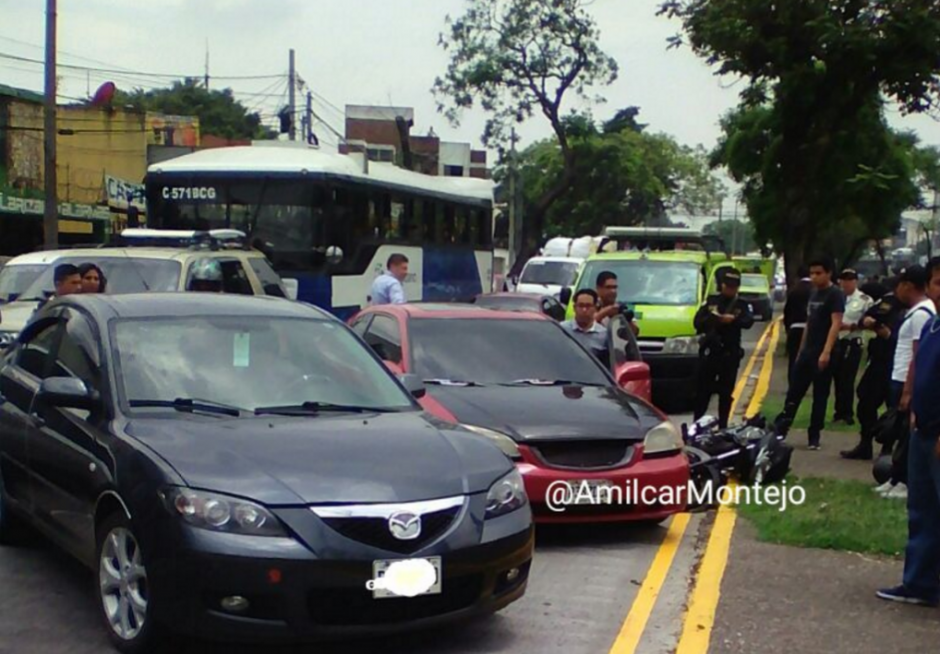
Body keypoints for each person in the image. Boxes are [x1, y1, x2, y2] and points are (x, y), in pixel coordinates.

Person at [876, 256, 940, 609]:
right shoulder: (933, 326)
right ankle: (919, 583)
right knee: (922, 512)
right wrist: (913, 403)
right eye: (937, 283)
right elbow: (920, 366)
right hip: (923, 431)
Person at [774, 257, 845, 450]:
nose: (814, 277)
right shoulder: (813, 293)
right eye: (812, 273)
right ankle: (781, 429)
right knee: (794, 392)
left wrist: (826, 351)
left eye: (818, 273)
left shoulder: (835, 294)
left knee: (820, 395)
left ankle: (814, 436)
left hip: (823, 351)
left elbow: (836, 323)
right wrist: (800, 350)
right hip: (807, 350)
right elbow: (809, 322)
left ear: (829, 273)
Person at [841, 288, 906, 460]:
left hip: (899, 363)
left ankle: (888, 448)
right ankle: (865, 444)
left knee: (894, 408)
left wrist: (886, 333)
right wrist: (868, 321)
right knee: (865, 401)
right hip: (879, 360)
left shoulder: (918, 308)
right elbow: (866, 317)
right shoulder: (888, 301)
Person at [693, 269, 755, 428]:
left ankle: (723, 426)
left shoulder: (741, 304)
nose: (731, 290)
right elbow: (698, 323)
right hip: (711, 353)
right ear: (722, 285)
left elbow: (748, 321)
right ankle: (697, 424)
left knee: (726, 394)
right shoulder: (712, 301)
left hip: (729, 354)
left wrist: (734, 320)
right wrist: (716, 319)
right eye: (728, 286)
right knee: (702, 393)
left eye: (734, 287)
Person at [831, 269, 873, 425]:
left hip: (852, 340)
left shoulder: (864, 300)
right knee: (836, 378)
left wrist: (851, 326)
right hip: (836, 341)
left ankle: (847, 413)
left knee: (847, 379)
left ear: (855, 281)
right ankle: (838, 412)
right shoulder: (835, 297)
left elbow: (871, 320)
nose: (846, 283)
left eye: (850, 280)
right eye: (843, 279)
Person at [561, 289, 608, 361]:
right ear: (574, 308)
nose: (584, 310)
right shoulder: (562, 329)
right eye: (580, 305)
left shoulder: (604, 334)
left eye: (588, 306)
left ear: (595, 308)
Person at [783, 268, 813, 378]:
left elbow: (787, 311)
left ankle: (793, 381)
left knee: (793, 357)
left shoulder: (794, 290)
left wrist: (788, 328)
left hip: (795, 326)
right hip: (812, 329)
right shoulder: (816, 290)